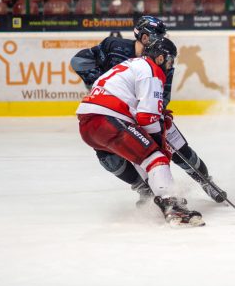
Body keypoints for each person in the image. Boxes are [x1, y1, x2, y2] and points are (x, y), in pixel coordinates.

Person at [70, 16, 225, 204]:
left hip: (146, 112)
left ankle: (205, 180)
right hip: (116, 114)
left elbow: (163, 96)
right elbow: (79, 61)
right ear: (144, 38)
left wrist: (154, 111)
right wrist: (99, 83)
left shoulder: (161, 59)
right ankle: (145, 188)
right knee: (108, 156)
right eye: (157, 36)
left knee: (177, 146)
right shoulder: (114, 46)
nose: (161, 40)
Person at [77, 37, 204, 227]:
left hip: (88, 125)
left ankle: (155, 193)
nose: (170, 66)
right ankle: (172, 205)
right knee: (155, 157)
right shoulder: (151, 71)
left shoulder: (132, 64)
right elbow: (147, 118)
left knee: (142, 158)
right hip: (108, 120)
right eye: (169, 60)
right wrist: (161, 148)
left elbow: (133, 108)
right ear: (160, 58)